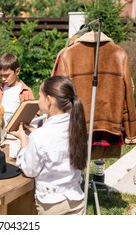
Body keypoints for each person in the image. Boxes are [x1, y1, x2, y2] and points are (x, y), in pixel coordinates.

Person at [10, 76, 88, 215]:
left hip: (52, 205)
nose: (38, 100)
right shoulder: (77, 127)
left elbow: (30, 170)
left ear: (49, 99)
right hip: (77, 199)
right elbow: (57, 144)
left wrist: (24, 142)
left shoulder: (41, 135)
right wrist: (35, 135)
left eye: (40, 96)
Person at [0, 52, 35, 125]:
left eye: (6, 75)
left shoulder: (26, 91)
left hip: (18, 127)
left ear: (17, 71)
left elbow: (33, 114)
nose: (3, 79)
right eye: (1, 75)